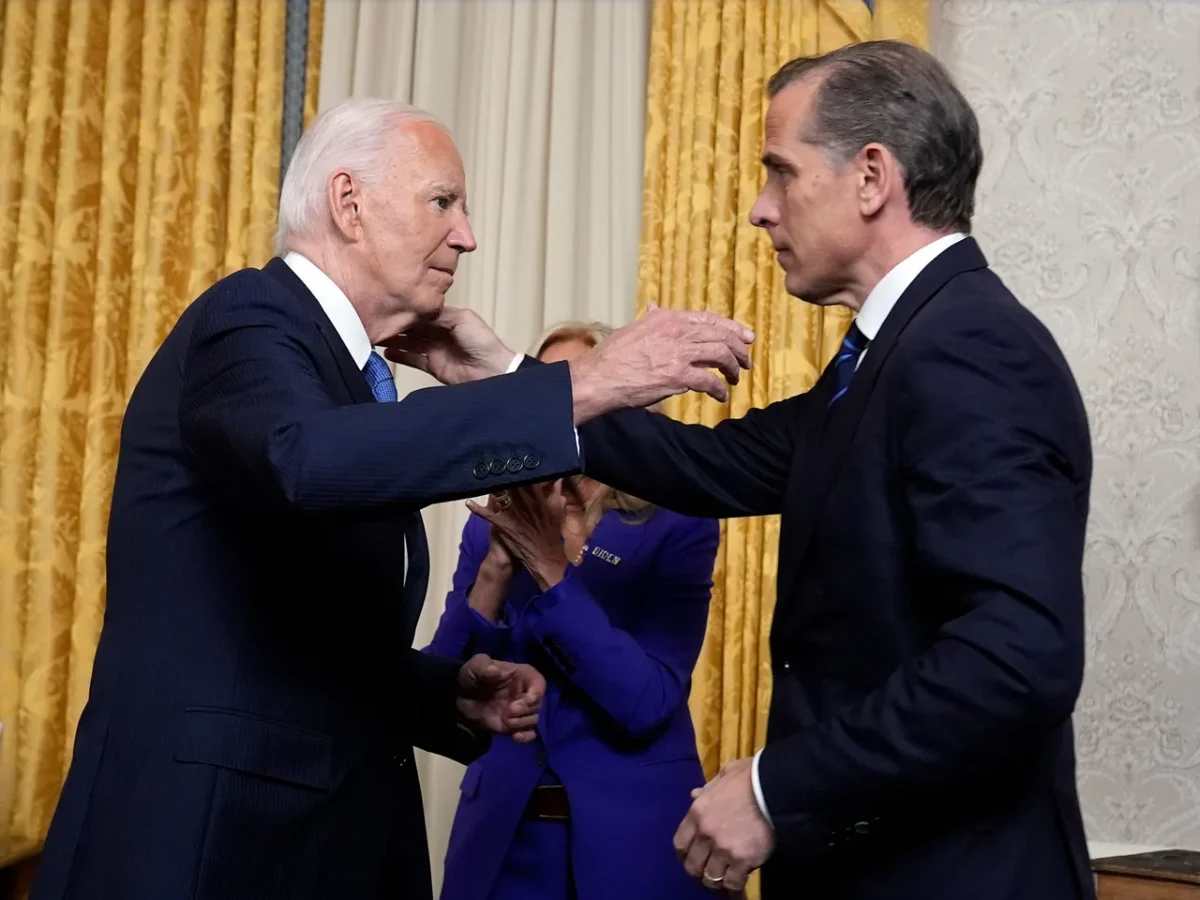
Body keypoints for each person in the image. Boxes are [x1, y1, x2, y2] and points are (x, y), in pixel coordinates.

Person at [399, 42, 1096, 900]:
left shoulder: (970, 352)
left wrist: (776, 786)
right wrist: (504, 373)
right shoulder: (900, 352)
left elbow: (1017, 661)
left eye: (780, 172)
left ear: (872, 176)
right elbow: (708, 463)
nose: (760, 210)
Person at [31, 99, 752, 900]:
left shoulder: (341, 376)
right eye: (444, 201)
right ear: (349, 203)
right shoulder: (250, 316)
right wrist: (582, 386)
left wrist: (440, 694)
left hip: (315, 840)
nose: (468, 235)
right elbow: (304, 463)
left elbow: (296, 641)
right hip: (213, 842)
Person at [428, 322, 720, 900]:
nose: (558, 411)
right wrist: (493, 571)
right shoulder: (495, 518)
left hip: (632, 843)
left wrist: (551, 569)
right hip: (504, 841)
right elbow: (441, 688)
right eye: (544, 394)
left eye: (576, 390)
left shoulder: (678, 521)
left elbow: (646, 702)